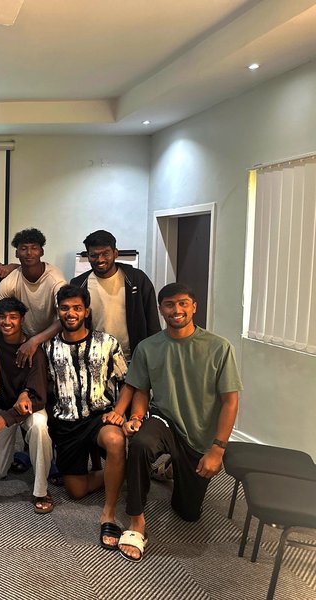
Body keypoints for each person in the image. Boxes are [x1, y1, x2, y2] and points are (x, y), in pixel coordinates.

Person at [117, 283, 242, 562]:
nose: (177, 310)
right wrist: (136, 418)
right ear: (161, 309)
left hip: (199, 435)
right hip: (164, 419)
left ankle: (169, 468)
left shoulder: (219, 348)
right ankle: (136, 520)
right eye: (170, 305)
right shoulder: (148, 348)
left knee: (188, 514)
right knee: (140, 445)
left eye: (183, 303)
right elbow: (141, 389)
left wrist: (217, 449)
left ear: (194, 306)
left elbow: (230, 402)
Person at [45, 285, 129, 550]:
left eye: (77, 308)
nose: (71, 313)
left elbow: (128, 382)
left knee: (116, 442)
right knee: (76, 491)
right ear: (58, 311)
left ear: (86, 311)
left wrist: (118, 412)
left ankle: (109, 513)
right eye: (65, 308)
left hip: (99, 417)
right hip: (66, 422)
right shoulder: (48, 348)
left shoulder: (107, 343)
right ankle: (117, 471)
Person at [0, 298, 54, 514]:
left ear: (22, 319)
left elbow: (39, 398)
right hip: (3, 405)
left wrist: (7, 417)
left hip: (29, 407)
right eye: (2, 317)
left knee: (40, 427)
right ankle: (28, 455)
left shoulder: (33, 348)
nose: (7, 322)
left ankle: (41, 490)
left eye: (13, 317)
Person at [0, 228, 66, 365]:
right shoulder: (11, 281)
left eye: (34, 248)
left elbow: (64, 318)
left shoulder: (55, 279)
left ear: (41, 252)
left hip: (51, 338)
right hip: (23, 338)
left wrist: (35, 341)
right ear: (17, 253)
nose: (29, 253)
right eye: (24, 248)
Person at [69, 229, 160, 361]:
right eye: (94, 255)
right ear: (88, 256)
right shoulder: (79, 284)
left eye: (105, 254)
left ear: (115, 253)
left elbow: (152, 321)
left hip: (133, 359)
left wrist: (153, 356)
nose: (100, 260)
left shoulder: (137, 279)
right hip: (95, 360)